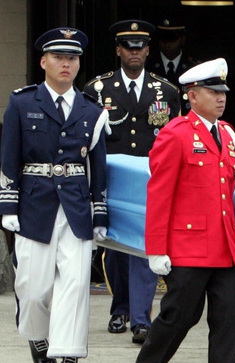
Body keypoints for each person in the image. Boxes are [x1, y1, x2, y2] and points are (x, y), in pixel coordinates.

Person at [0, 27, 109, 363]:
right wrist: (8, 203)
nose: (66, 64)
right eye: (59, 57)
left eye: (73, 58)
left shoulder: (92, 110)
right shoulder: (22, 101)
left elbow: (98, 165)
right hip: (34, 206)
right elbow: (9, 157)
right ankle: (38, 337)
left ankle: (67, 353)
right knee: (33, 290)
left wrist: (100, 211)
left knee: (74, 287)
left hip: (76, 207)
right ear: (43, 61)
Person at [136, 57, 235, 363]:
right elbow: (159, 194)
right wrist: (156, 248)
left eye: (223, 91)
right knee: (178, 318)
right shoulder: (176, 133)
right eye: (213, 92)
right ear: (192, 95)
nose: (221, 97)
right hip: (190, 247)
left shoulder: (228, 133)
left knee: (228, 324)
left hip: (226, 247)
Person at [83, 19, 180, 345]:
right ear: (119, 51)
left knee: (142, 248)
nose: (134, 52)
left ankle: (140, 319)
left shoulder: (166, 91)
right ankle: (119, 309)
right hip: (112, 182)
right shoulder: (97, 90)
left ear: (148, 50)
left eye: (140, 47)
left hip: (153, 182)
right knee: (115, 251)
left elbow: (175, 139)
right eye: (128, 47)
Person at [147, 17, 200, 114]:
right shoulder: (148, 66)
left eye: (172, 39)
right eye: (163, 39)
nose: (167, 44)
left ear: (182, 39)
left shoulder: (194, 68)